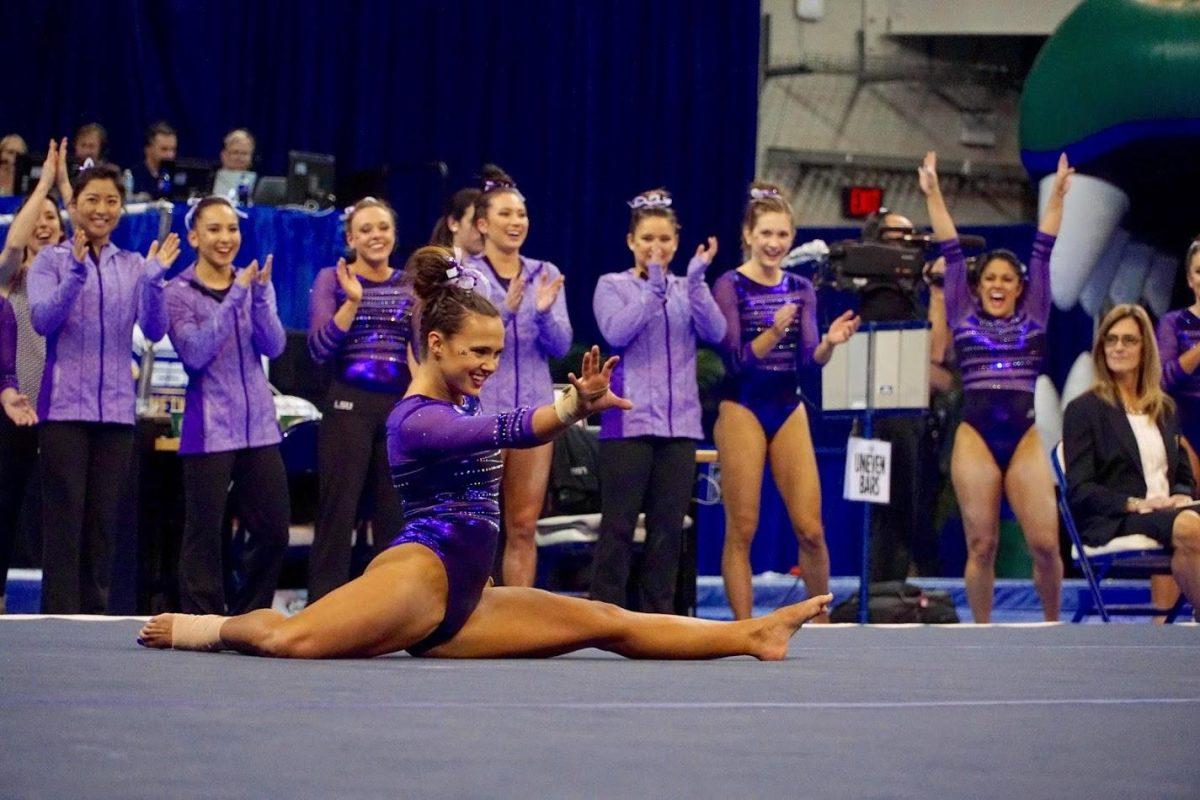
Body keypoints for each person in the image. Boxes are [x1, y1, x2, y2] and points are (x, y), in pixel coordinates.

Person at [137, 245, 832, 658]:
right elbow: (506, 432)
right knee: (294, 641)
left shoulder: (463, 395)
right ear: (434, 345)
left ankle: (754, 635)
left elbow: (503, 421)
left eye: (497, 354)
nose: (488, 367)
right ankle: (206, 627)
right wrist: (570, 407)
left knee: (607, 623)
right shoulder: (414, 420)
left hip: (470, 596)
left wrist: (568, 404)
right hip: (420, 576)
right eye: (477, 353)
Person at [921, 150, 1069, 622]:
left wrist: (1060, 194)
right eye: (991, 279)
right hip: (976, 437)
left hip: (1023, 437)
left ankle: (1051, 625)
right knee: (981, 543)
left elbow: (1044, 245)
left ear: (1021, 288)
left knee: (1045, 544)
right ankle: (982, 632)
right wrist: (934, 193)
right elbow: (950, 248)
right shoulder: (962, 313)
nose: (999, 285)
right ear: (979, 286)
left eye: (1008, 279)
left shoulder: (1035, 312)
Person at [27, 162, 179, 613]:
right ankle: (57, 618)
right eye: (91, 199)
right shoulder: (51, 262)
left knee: (102, 526)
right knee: (65, 522)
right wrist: (74, 272)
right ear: (73, 206)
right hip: (63, 412)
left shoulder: (132, 265)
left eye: (111, 201)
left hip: (116, 413)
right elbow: (42, 319)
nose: (102, 209)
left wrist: (153, 282)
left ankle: (93, 618)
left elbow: (153, 330)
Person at [712, 182, 859, 620]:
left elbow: (810, 362)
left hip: (786, 404)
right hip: (741, 405)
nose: (774, 243)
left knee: (812, 529)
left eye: (782, 235)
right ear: (749, 235)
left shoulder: (801, 288)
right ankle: (743, 628)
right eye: (766, 234)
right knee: (743, 528)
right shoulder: (729, 285)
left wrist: (830, 344)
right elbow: (736, 362)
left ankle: (822, 618)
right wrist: (774, 332)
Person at [590, 189, 725, 612]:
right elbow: (617, 333)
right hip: (627, 424)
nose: (656, 248)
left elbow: (717, 332)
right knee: (618, 527)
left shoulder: (689, 288)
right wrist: (653, 288)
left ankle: (658, 616)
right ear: (631, 241)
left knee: (669, 529)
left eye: (664, 240)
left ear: (677, 242)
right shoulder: (612, 285)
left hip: (679, 426)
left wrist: (699, 281)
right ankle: (605, 613)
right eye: (647, 239)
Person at [165, 196, 288, 614]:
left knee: (274, 530)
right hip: (209, 426)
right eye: (214, 230)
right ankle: (203, 618)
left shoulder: (251, 283)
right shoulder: (178, 293)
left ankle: (249, 613)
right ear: (194, 237)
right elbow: (195, 354)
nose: (226, 238)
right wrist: (237, 296)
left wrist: (258, 297)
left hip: (259, 428)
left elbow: (274, 345)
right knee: (204, 532)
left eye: (232, 229)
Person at [465, 166, 571, 587]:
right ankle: (470, 613)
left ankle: (516, 618)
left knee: (524, 525)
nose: (515, 223)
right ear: (483, 224)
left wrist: (543, 313)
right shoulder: (466, 273)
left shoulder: (544, 270)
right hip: (483, 413)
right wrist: (506, 311)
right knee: (479, 521)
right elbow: (468, 342)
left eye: (521, 215)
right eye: (505, 215)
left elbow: (561, 346)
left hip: (533, 411)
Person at [306, 197, 411, 602]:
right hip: (348, 405)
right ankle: (323, 608)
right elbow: (317, 349)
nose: (375, 236)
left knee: (394, 517)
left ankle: (389, 608)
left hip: (397, 411)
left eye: (382, 228)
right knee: (338, 513)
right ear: (350, 238)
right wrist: (352, 302)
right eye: (365, 230)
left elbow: (418, 352)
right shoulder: (333, 279)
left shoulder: (409, 283)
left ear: (394, 234)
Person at [1064, 303, 1200, 618]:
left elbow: (1182, 474)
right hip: (1119, 516)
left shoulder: (1164, 408)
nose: (1118, 347)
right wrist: (1134, 503)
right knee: (1192, 528)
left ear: (1145, 350)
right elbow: (1080, 490)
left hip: (1168, 510)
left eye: (1129, 340)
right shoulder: (1084, 410)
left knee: (1190, 529)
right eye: (1111, 340)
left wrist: (1181, 492)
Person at [0, 138, 71, 614]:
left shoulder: (73, 275)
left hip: (66, 411)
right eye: (36, 217)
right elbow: (11, 244)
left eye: (52, 218)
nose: (44, 225)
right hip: (16, 408)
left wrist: (67, 189)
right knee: (5, 507)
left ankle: (68, 602)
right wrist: (44, 185)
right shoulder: (11, 277)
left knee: (64, 512)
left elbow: (87, 228)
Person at [429, 187, 484, 262]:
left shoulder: (492, 268)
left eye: (485, 223)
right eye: (474, 222)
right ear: (453, 223)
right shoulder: (433, 266)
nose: (482, 230)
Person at [130, 121, 177, 199]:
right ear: (148, 149)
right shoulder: (133, 176)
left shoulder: (176, 176)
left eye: (173, 150)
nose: (170, 155)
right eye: (164, 149)